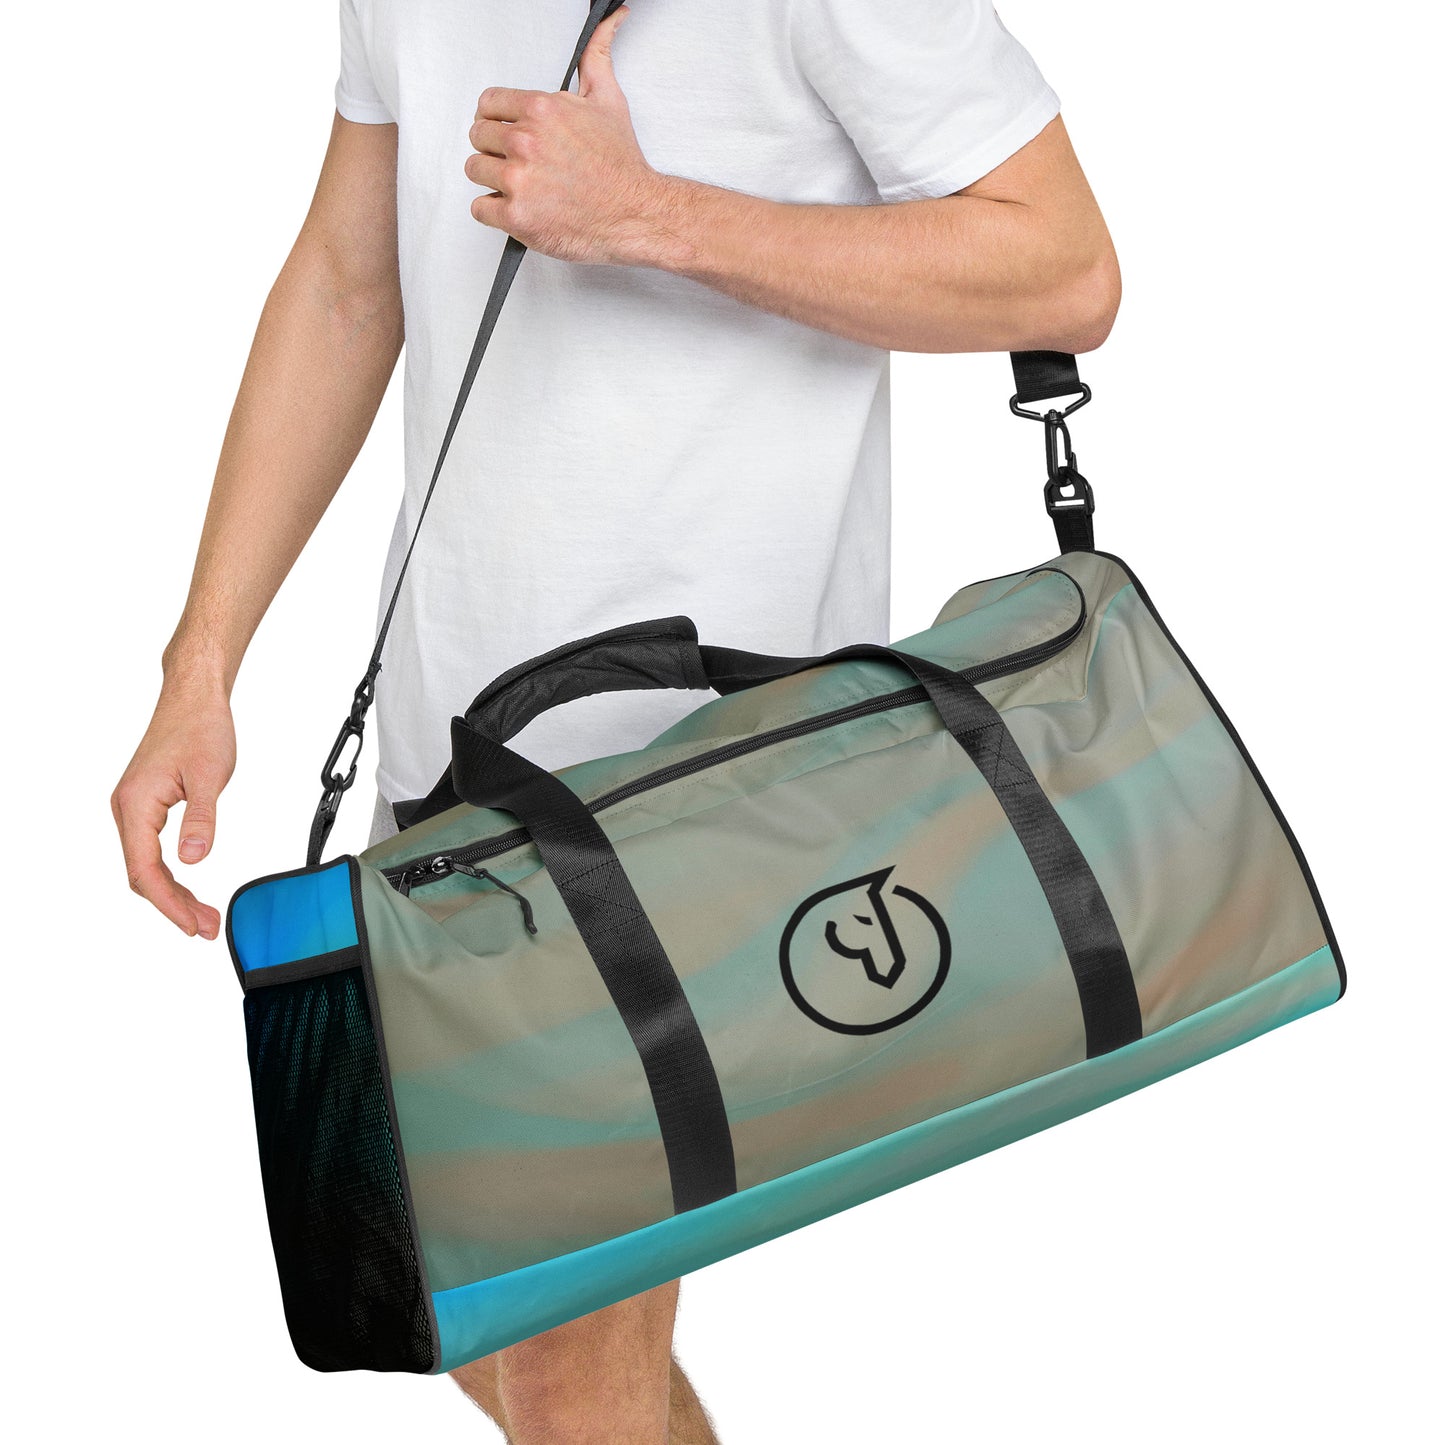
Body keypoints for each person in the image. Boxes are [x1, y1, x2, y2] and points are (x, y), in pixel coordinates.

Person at [112, 1, 1120, 1439]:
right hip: (457, 758)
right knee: (477, 1323)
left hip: (706, 780)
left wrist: (652, 215)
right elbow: (348, 278)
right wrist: (201, 661)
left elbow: (1064, 266)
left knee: (561, 1354)